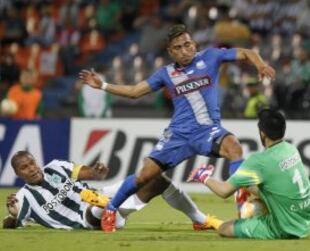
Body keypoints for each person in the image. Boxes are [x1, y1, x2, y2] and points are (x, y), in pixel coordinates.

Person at [79, 24, 276, 232]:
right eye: (178, 48)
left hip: (208, 132)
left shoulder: (211, 56)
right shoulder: (166, 73)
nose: (185, 50)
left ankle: (242, 204)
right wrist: (103, 85)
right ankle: (110, 208)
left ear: (194, 44)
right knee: (144, 176)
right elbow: (135, 92)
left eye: (187, 44)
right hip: (178, 136)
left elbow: (247, 52)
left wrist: (260, 65)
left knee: (234, 147)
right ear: (170, 52)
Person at [187, 109, 310, 239]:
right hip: (308, 212)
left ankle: (251, 210)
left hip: (287, 227)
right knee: (270, 187)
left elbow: (224, 191)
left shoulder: (259, 161)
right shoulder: (291, 149)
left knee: (224, 229)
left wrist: (203, 177)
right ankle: (248, 197)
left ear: (262, 134)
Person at [3, 151, 215, 230]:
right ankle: (104, 206)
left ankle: (199, 219)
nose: (31, 168)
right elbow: (10, 223)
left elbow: (90, 174)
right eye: (24, 167)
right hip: (85, 220)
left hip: (101, 194)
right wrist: (11, 215)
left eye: (32, 163)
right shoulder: (23, 198)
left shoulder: (55, 167)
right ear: (18, 174)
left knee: (156, 179)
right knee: (92, 210)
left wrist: (97, 171)